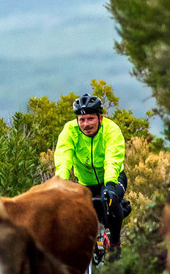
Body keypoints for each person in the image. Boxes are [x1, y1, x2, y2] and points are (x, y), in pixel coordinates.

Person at [54, 92, 128, 255]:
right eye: (82, 120)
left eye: (90, 119)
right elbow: (63, 159)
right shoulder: (69, 131)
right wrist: (59, 184)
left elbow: (112, 159)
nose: (86, 124)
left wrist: (109, 185)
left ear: (100, 118)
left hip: (113, 178)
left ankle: (115, 244)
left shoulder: (111, 130)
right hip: (85, 182)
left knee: (111, 200)